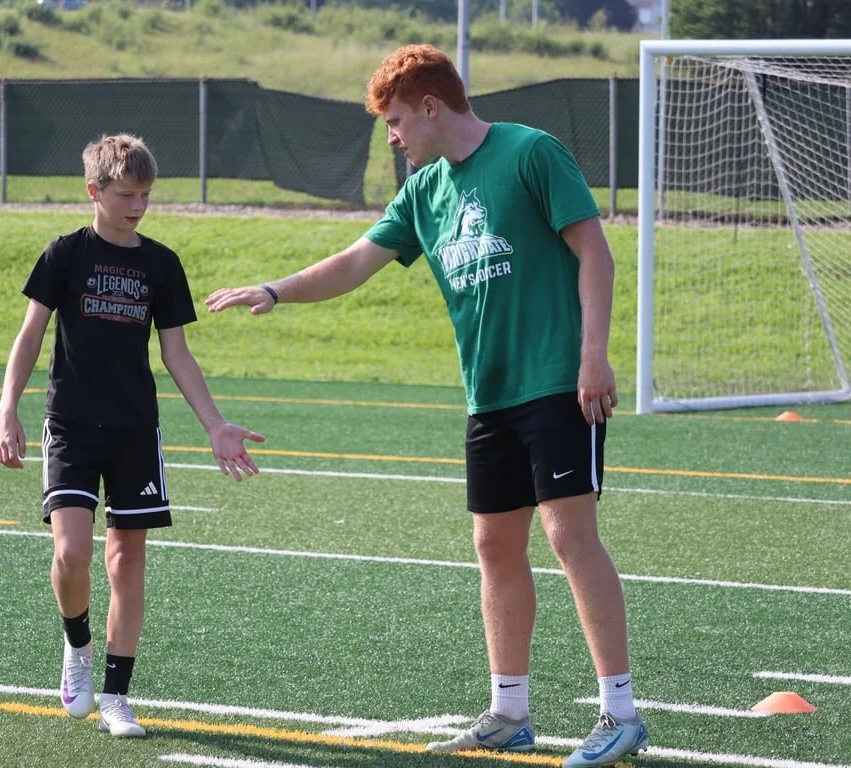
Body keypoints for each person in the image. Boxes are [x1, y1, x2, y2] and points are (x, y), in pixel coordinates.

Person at [205, 44, 648, 766]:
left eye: (397, 121)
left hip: (557, 384)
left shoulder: (532, 154)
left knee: (571, 539)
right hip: (489, 396)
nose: (393, 137)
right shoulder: (423, 192)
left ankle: (621, 712)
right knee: (494, 546)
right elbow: (353, 261)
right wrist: (276, 289)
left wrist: (592, 356)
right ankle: (509, 710)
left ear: (432, 108)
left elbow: (593, 252)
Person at [0, 133, 264, 739]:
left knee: (127, 561)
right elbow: (30, 335)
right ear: (94, 191)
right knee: (72, 553)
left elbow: (176, 353)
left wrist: (215, 423)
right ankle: (77, 645)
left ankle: (117, 695)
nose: (137, 205)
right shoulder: (64, 254)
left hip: (135, 429)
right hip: (69, 424)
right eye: (125, 194)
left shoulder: (161, 264)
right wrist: (6, 408)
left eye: (145, 194)